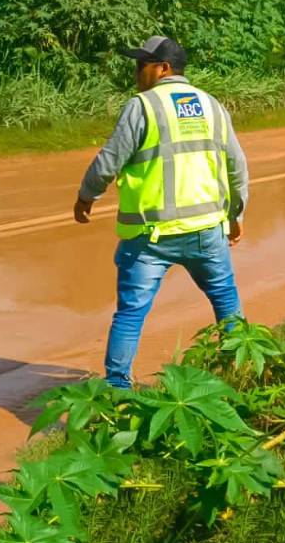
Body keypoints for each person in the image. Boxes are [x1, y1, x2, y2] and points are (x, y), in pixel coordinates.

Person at [73, 35, 249, 389]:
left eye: (143, 65)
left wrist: (86, 196)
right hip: (206, 231)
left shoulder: (143, 106)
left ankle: (117, 392)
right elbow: (236, 165)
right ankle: (243, 373)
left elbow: (109, 160)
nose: (137, 72)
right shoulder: (212, 105)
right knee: (225, 299)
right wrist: (236, 215)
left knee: (130, 314)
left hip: (150, 237)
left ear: (164, 68)